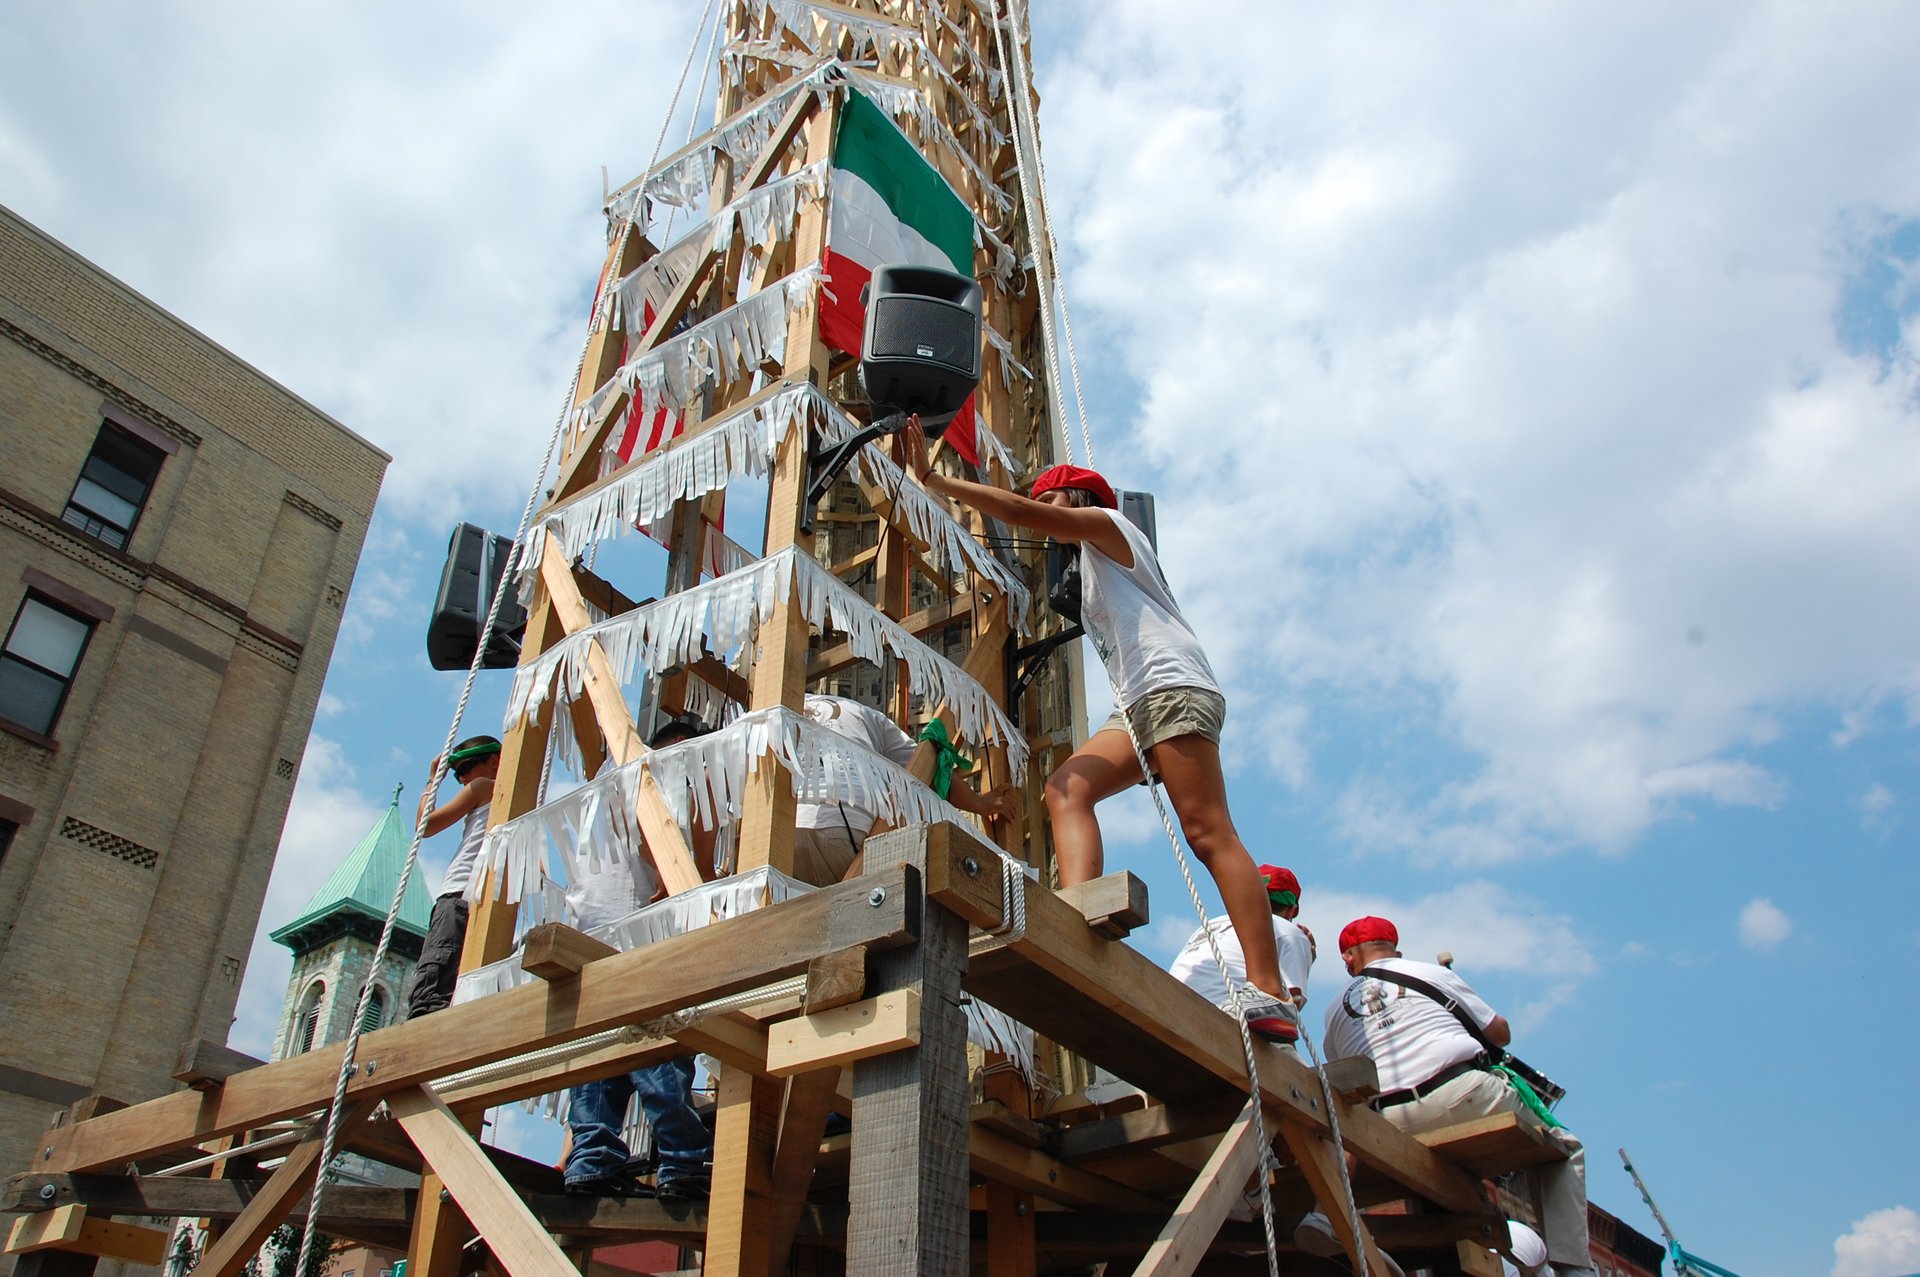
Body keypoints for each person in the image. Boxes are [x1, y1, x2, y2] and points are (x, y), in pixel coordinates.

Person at [901, 421, 1295, 1039]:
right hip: (1136, 704)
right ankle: (1075, 911)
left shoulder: (1115, 531)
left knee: (1207, 830)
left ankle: (1269, 989)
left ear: (1078, 500)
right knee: (1065, 789)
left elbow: (1029, 516)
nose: (1041, 510)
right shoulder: (1088, 571)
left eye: (1050, 499)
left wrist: (936, 480)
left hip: (1169, 684)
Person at [1321, 917, 1595, 1276]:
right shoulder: (1431, 973)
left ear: (1349, 960)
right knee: (1563, 1147)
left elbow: (1345, 1077)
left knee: (1440, 1177)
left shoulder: (1333, 1010)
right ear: (1395, 950)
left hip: (1388, 1123)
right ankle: (1574, 1268)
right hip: (1460, 1096)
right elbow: (1499, 1034)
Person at [562, 716, 716, 1200]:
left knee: (599, 1049)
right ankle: (682, 1159)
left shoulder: (609, 774)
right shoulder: (666, 769)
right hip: (638, 924)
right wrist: (679, 883)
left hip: (591, 927)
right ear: (686, 746)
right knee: (659, 1043)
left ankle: (591, 1156)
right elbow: (660, 833)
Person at [792, 692, 1019, 887]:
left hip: (786, 829)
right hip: (845, 826)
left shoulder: (779, 707)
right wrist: (979, 804)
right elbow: (928, 766)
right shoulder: (866, 715)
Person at [404, 735, 500, 1020]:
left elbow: (426, 825)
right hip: (477, 896)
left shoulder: (484, 786)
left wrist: (433, 780)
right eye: (456, 773)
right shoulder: (511, 795)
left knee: (435, 987)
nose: (461, 779)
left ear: (493, 762)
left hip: (459, 894)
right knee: (455, 983)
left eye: (466, 768)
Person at [1171, 865, 1314, 1042]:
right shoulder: (1289, 931)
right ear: (1292, 910)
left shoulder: (1207, 926)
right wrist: (1308, 957)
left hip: (1171, 1008)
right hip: (1226, 1019)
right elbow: (1283, 1012)